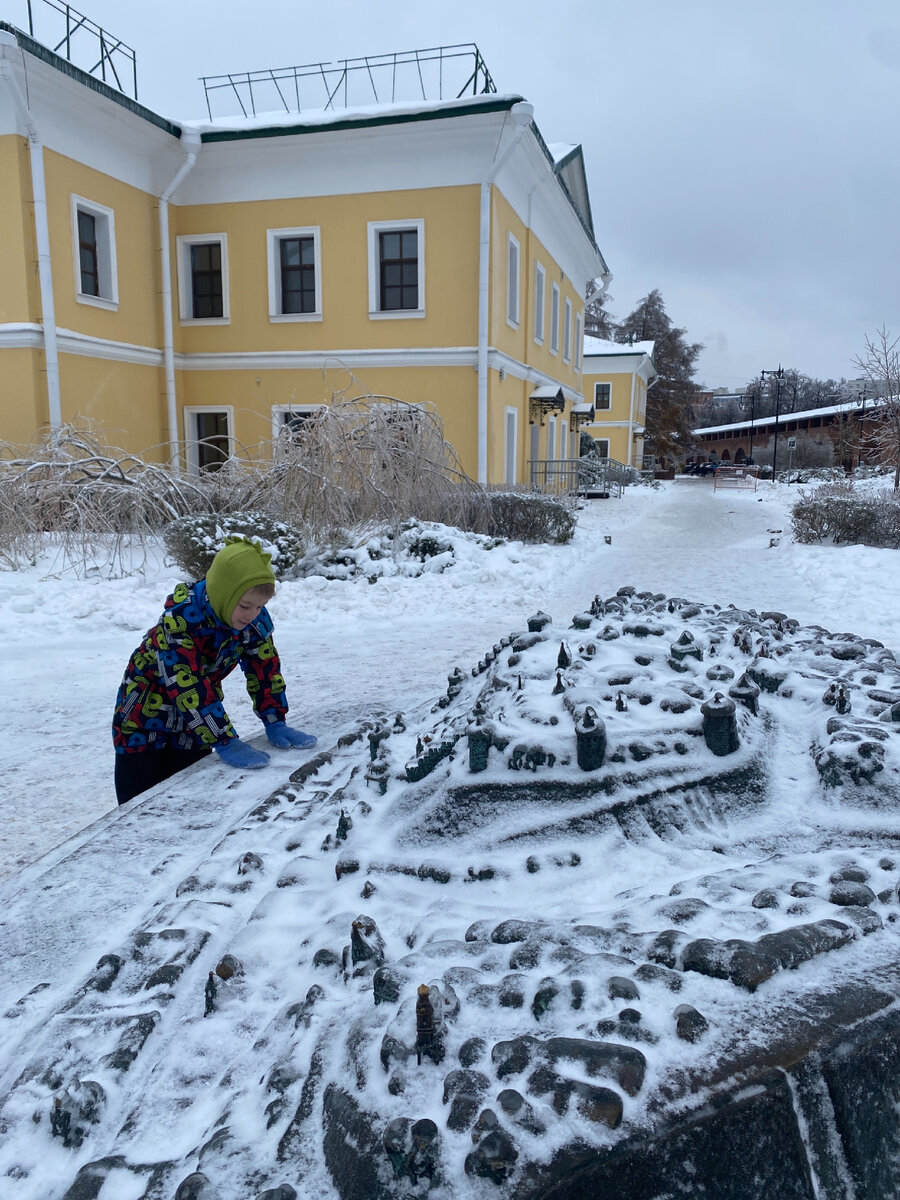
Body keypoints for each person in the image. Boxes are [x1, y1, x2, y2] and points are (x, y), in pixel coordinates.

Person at [112, 537, 316, 805]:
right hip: (142, 720)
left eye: (259, 606)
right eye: (245, 606)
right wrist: (225, 739)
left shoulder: (253, 620)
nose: (252, 614)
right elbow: (187, 685)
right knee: (141, 806)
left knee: (193, 799)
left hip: (192, 724)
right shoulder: (180, 621)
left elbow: (264, 668)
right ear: (223, 592)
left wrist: (274, 719)